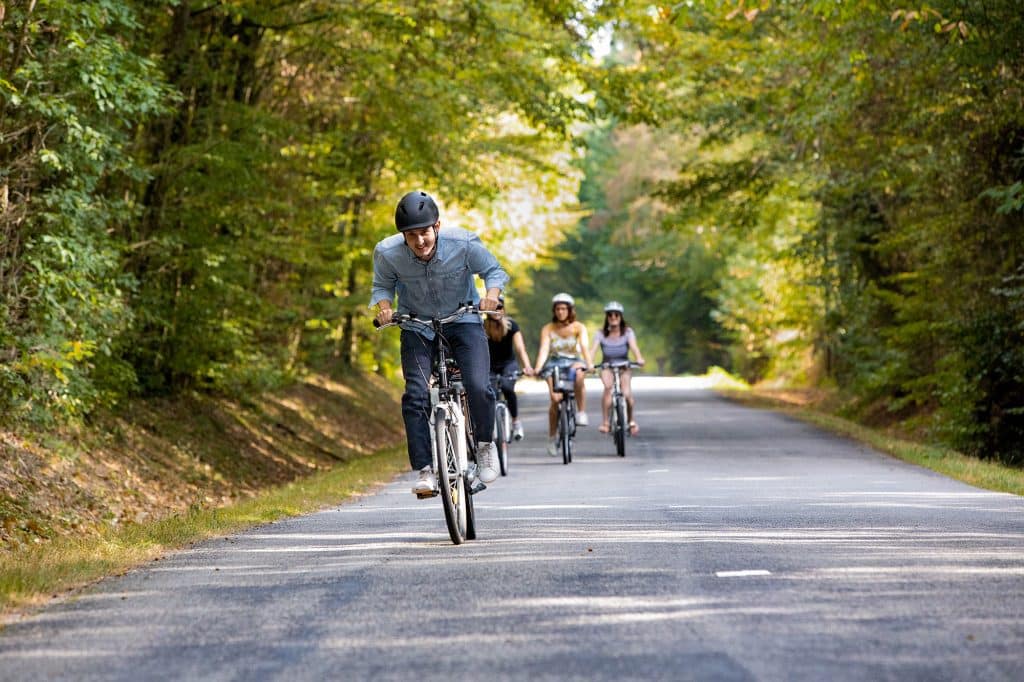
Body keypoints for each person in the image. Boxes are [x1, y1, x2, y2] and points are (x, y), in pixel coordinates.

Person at [370, 190, 508, 495]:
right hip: (417, 326)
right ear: (402, 236)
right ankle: (425, 470)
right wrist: (384, 309)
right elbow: (382, 286)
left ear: (437, 227)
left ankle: (485, 446)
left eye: (424, 233)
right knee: (416, 395)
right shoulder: (387, 252)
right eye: (411, 236)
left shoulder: (464, 244)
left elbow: (493, 271)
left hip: (463, 319)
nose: (419, 242)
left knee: (477, 385)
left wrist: (492, 297)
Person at [532, 292, 593, 456]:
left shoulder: (579, 327)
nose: (560, 312)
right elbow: (544, 349)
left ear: (570, 310)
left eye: (563, 309)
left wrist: (590, 364)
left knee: (580, 373)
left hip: (574, 361)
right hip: (555, 363)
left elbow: (585, 348)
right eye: (558, 309)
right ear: (554, 310)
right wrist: (538, 367)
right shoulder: (548, 328)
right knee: (555, 400)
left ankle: (581, 412)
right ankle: (552, 438)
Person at [590, 301, 645, 435]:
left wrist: (639, 358)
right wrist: (589, 362)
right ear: (607, 317)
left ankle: (631, 421)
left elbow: (634, 347)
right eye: (610, 315)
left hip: (623, 366)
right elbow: (592, 350)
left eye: (616, 315)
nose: (613, 317)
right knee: (608, 388)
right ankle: (605, 423)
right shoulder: (601, 334)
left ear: (621, 317)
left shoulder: (627, 332)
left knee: (626, 393)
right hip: (607, 366)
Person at [484, 300, 535, 440]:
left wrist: (527, 366)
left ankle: (516, 421)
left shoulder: (512, 325)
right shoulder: (482, 327)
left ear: (503, 309)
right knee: (489, 393)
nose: (496, 310)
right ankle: (489, 427)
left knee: (508, 388)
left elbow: (520, 348)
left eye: (499, 307)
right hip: (490, 366)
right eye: (493, 308)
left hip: (508, 364)